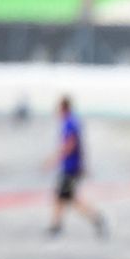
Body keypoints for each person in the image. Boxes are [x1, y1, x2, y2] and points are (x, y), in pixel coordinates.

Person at [46, 97, 106, 238]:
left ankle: (96, 218)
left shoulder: (69, 123)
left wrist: (54, 159)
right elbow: (80, 146)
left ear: (63, 108)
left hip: (70, 167)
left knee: (69, 198)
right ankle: (56, 226)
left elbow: (71, 144)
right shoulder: (74, 122)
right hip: (73, 166)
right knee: (61, 197)